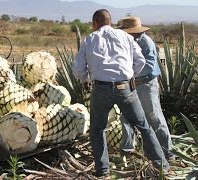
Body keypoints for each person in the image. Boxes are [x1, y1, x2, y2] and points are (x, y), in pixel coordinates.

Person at [72, 9, 169, 178]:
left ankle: (103, 172)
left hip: (101, 89)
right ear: (110, 21)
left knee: (97, 129)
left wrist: (86, 79)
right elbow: (140, 61)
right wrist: (130, 75)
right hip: (125, 88)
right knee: (144, 126)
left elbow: (78, 69)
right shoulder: (125, 37)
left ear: (95, 23)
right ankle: (162, 165)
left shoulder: (90, 39)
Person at [118, 16, 174, 160]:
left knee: (153, 116)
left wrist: (132, 76)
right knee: (126, 116)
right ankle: (127, 150)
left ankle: (167, 152)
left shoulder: (146, 42)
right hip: (131, 83)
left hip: (146, 84)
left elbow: (149, 66)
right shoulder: (128, 41)